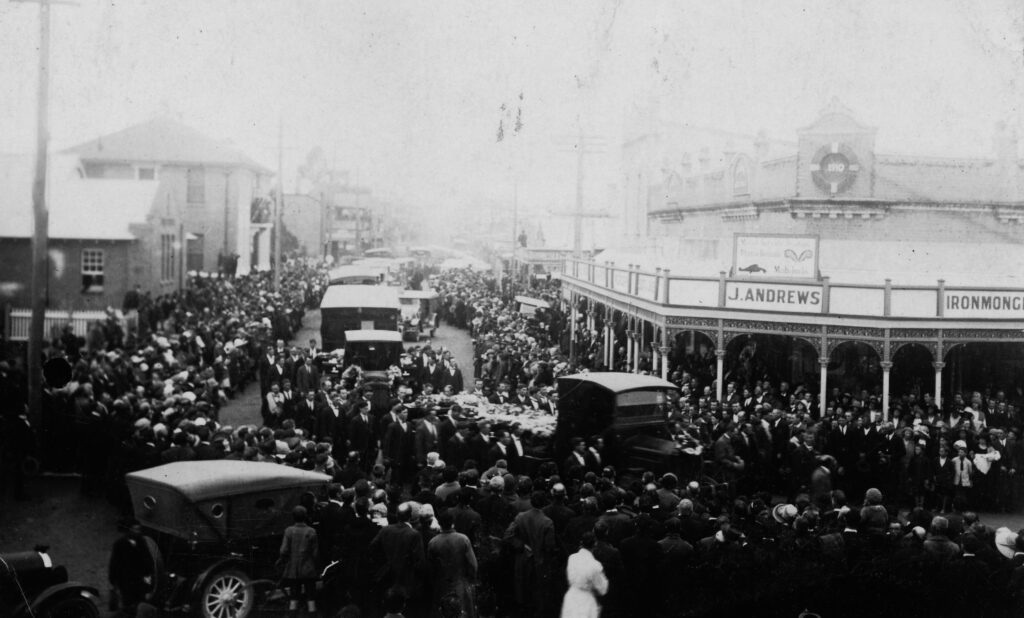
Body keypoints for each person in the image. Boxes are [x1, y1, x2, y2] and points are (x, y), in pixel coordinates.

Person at [427, 509, 479, 618]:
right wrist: (471, 579)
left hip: (441, 585)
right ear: (453, 523)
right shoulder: (463, 539)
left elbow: (431, 568)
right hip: (460, 583)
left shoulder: (433, 542)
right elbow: (473, 565)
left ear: (440, 523)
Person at [279, 505, 319, 616]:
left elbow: (283, 551)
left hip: (294, 569)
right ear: (306, 516)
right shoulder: (312, 531)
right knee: (311, 598)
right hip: (308, 569)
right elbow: (315, 553)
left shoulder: (289, 531)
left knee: (294, 597)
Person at [108, 521, 154, 617]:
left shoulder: (142, 542)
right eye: (135, 529)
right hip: (126, 581)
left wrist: (149, 575)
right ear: (129, 530)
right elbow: (114, 564)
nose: (137, 532)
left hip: (139, 581)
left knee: (140, 602)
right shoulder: (119, 544)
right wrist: (113, 581)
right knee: (128, 603)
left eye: (138, 529)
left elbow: (148, 560)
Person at [560, 531, 608, 618]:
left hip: (571, 598)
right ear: (595, 545)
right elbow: (602, 589)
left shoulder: (572, 558)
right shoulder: (595, 565)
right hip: (586, 600)